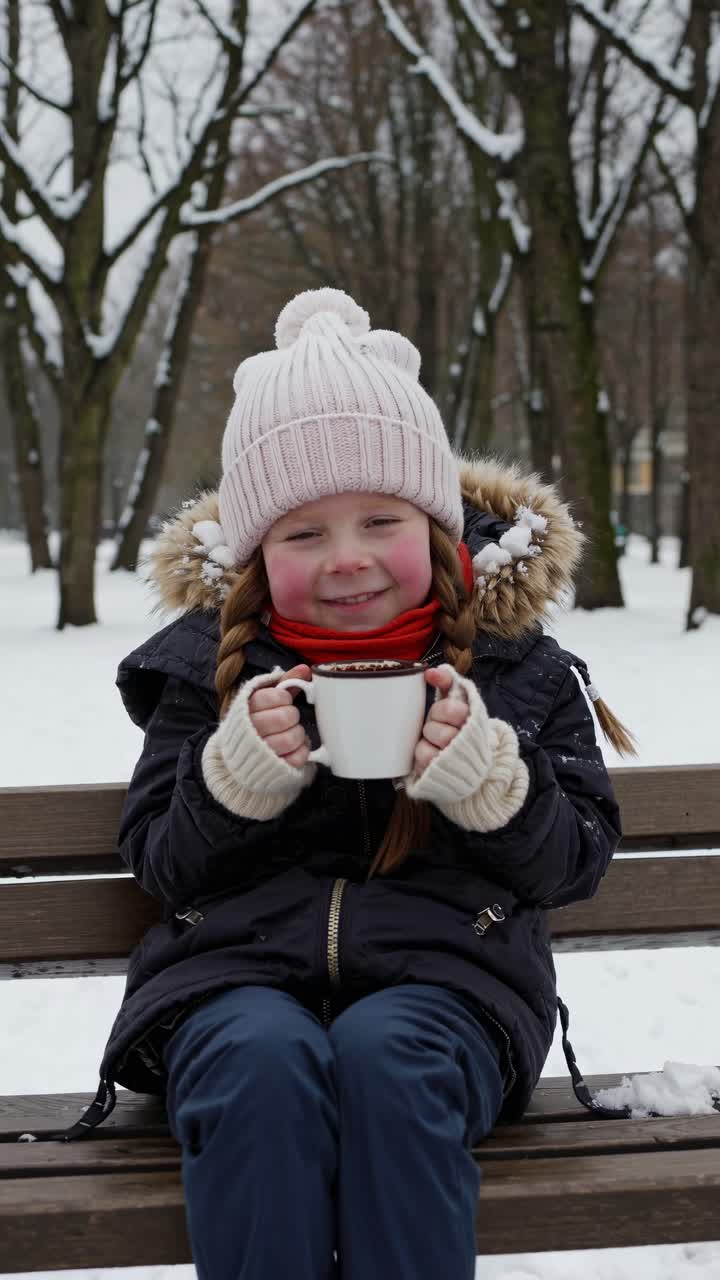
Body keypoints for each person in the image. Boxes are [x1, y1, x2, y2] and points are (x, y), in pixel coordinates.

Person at [65, 289, 634, 1280]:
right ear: (255, 550)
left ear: (436, 522)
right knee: (258, 1064)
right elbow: (157, 854)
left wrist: (494, 786)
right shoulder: (204, 667)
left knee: (389, 1053)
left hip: (452, 989)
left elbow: (575, 855)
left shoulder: (517, 667)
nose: (348, 559)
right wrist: (232, 781)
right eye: (303, 532)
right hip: (230, 987)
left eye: (381, 518)